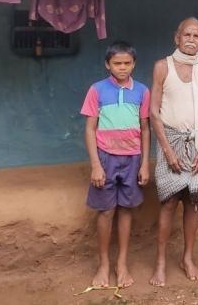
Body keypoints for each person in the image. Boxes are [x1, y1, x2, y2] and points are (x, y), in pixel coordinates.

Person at [149, 18, 198, 287]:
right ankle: (161, 263)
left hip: (197, 142)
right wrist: (166, 150)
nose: (191, 39)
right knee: (169, 202)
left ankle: (187, 258)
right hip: (170, 141)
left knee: (193, 203)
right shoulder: (162, 67)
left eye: (196, 35)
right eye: (186, 34)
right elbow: (154, 112)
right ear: (176, 38)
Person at [81, 42, 151, 288]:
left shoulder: (142, 91)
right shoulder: (97, 90)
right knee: (106, 211)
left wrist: (144, 164)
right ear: (107, 65)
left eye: (127, 63)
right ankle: (103, 264)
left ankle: (122, 263)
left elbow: (145, 129)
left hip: (132, 158)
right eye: (117, 63)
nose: (122, 68)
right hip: (105, 158)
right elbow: (90, 129)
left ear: (134, 64)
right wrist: (95, 165)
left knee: (126, 210)